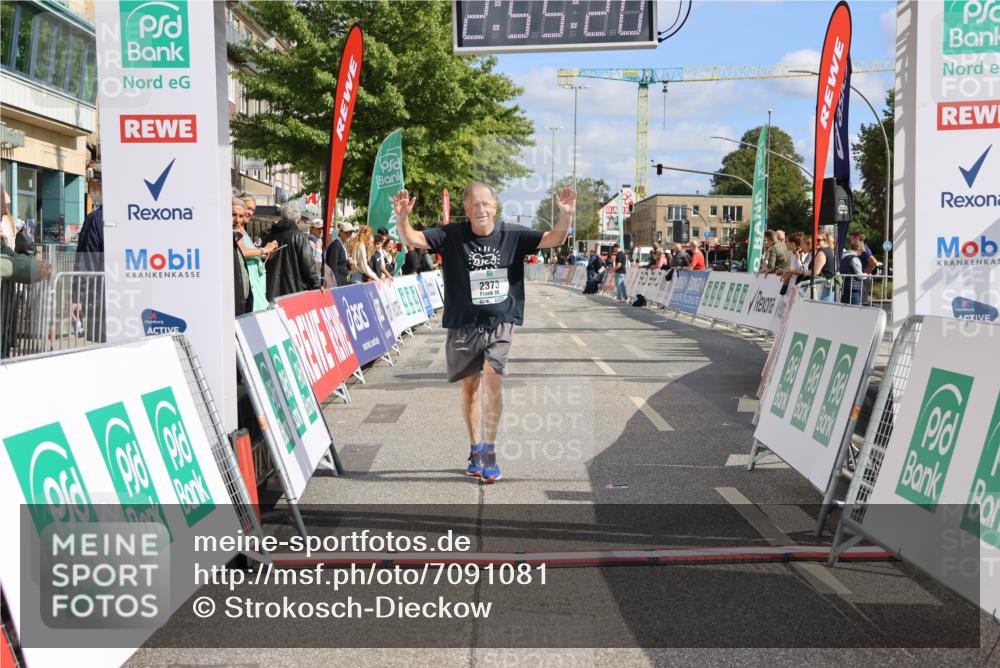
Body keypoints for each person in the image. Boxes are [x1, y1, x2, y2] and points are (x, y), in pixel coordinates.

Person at [393, 182, 576, 484]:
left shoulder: (512, 235)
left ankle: (490, 451)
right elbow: (412, 237)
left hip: (501, 321)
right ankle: (475, 447)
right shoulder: (451, 235)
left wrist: (566, 215)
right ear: (466, 210)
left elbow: (554, 238)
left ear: (495, 207)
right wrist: (402, 218)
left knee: (493, 379)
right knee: (470, 389)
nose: (481, 210)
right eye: (474, 205)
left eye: (486, 204)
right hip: (464, 323)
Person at [263, 202, 320, 300]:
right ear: (297, 218)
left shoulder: (269, 236)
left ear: (282, 216)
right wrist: (317, 286)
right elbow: (309, 267)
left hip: (270, 291)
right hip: (295, 293)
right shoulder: (300, 237)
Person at [235, 200, 277, 311]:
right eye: (248, 208)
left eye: (253, 210)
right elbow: (242, 252)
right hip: (249, 286)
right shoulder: (236, 230)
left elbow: (251, 254)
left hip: (256, 288)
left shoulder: (243, 231)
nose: (250, 213)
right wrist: (263, 250)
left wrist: (268, 253)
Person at [232, 198, 255, 316]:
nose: (237, 220)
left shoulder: (237, 237)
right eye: (233, 215)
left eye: (241, 216)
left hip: (243, 301)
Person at [807, 233, 837, 302]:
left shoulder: (822, 252)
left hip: (823, 287)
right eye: (814, 240)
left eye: (818, 240)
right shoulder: (827, 251)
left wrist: (805, 272)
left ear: (825, 240)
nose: (816, 242)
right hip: (826, 286)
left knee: (822, 310)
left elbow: (816, 272)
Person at [324, 221, 355, 287]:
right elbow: (333, 267)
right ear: (340, 232)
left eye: (351, 233)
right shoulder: (336, 245)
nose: (349, 235)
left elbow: (345, 267)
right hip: (339, 283)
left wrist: (349, 263)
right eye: (347, 232)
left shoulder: (343, 245)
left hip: (345, 280)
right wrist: (336, 284)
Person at [839, 238, 865, 305]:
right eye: (861, 251)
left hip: (844, 287)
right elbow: (859, 276)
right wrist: (866, 275)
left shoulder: (843, 257)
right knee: (854, 310)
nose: (860, 254)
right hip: (853, 289)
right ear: (858, 249)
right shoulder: (854, 258)